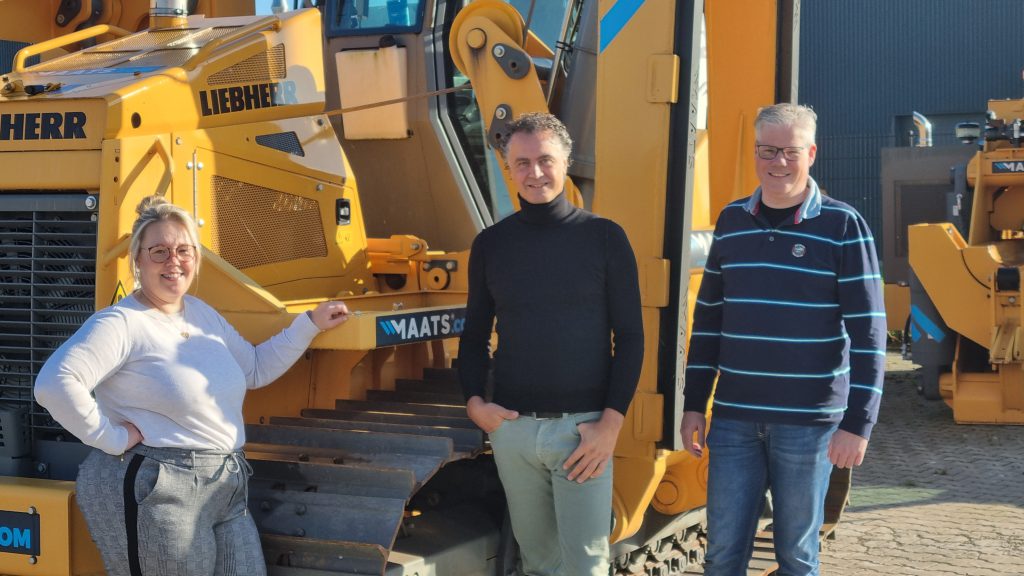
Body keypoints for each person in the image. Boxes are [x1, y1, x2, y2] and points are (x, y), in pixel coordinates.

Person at [34, 195, 351, 576]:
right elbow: (54, 383)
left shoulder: (201, 314)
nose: (174, 261)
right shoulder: (122, 323)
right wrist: (110, 438)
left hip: (226, 484)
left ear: (196, 258)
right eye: (159, 251)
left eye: (184, 250)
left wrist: (310, 324)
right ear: (137, 260)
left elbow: (254, 369)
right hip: (161, 488)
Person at [680, 103, 886, 575]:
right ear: (755, 152)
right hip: (734, 421)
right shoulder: (731, 223)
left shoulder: (843, 226)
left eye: (790, 151)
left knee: (796, 556)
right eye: (767, 151)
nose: (778, 163)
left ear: (811, 153)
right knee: (722, 554)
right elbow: (708, 321)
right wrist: (694, 404)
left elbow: (871, 335)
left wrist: (859, 424)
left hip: (809, 426)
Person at [458, 112, 644, 575]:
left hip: (582, 433)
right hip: (515, 431)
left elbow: (633, 337)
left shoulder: (604, 238)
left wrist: (610, 426)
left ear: (566, 162)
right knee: (539, 564)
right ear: (508, 168)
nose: (534, 172)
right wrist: (475, 405)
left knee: (586, 565)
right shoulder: (491, 245)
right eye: (521, 163)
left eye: (545, 160)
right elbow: (475, 334)